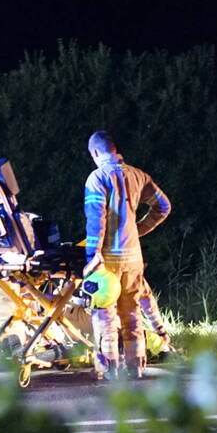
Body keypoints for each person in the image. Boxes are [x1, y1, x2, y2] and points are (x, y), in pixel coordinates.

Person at [83, 130, 171, 379]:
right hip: (134, 257)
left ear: (96, 153)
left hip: (108, 260)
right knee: (132, 313)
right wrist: (139, 229)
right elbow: (163, 206)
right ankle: (136, 368)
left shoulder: (96, 178)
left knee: (105, 313)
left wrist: (93, 256)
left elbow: (96, 221)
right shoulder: (139, 176)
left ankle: (110, 369)